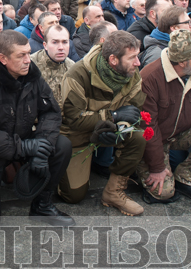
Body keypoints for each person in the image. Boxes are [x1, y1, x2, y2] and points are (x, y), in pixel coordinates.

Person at [0, 30, 73, 227]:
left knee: (61, 145)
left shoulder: (32, 75)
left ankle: (42, 205)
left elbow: (51, 112)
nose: (28, 60)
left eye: (28, 53)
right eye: (21, 55)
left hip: (22, 140)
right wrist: (24, 147)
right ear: (3, 58)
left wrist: (42, 147)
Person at [59, 32, 147, 215]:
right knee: (73, 196)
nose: (138, 63)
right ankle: (58, 170)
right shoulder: (78, 74)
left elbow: (133, 110)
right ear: (113, 59)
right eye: (132, 58)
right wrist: (111, 117)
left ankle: (113, 192)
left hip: (110, 129)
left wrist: (118, 127)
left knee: (137, 138)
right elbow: (74, 118)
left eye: (137, 56)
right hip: (77, 135)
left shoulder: (131, 73)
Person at [137, 31, 191, 204]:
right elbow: (148, 127)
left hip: (179, 133)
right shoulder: (150, 78)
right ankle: (139, 169)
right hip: (154, 141)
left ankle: (186, 180)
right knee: (163, 193)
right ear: (183, 62)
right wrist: (157, 167)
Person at [31, 24, 75, 105]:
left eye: (65, 42)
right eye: (55, 42)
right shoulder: (31, 65)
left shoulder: (72, 66)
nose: (61, 47)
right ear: (45, 45)